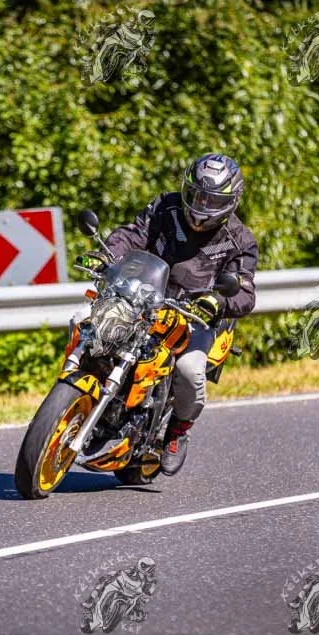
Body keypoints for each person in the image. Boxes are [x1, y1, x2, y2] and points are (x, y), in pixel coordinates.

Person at [83, 154, 258, 475]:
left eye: (211, 199)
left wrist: (217, 301)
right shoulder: (166, 206)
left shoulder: (239, 240)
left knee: (190, 370)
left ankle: (178, 430)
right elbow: (132, 234)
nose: (201, 204)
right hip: (146, 297)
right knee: (93, 329)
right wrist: (107, 256)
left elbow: (245, 291)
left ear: (230, 201)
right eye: (196, 195)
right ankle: (84, 397)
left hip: (194, 316)